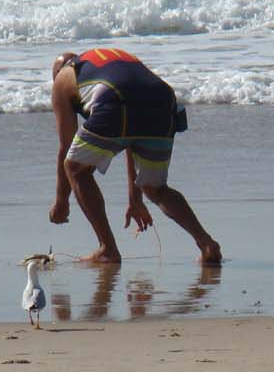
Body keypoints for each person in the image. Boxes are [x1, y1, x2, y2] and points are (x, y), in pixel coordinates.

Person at [48, 47, 222, 265]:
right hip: (162, 99)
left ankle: (108, 249)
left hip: (114, 98)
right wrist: (136, 199)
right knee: (156, 188)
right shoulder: (110, 58)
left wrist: (62, 201)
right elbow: (131, 140)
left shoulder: (63, 78)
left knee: (76, 169)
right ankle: (207, 244)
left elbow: (66, 147)